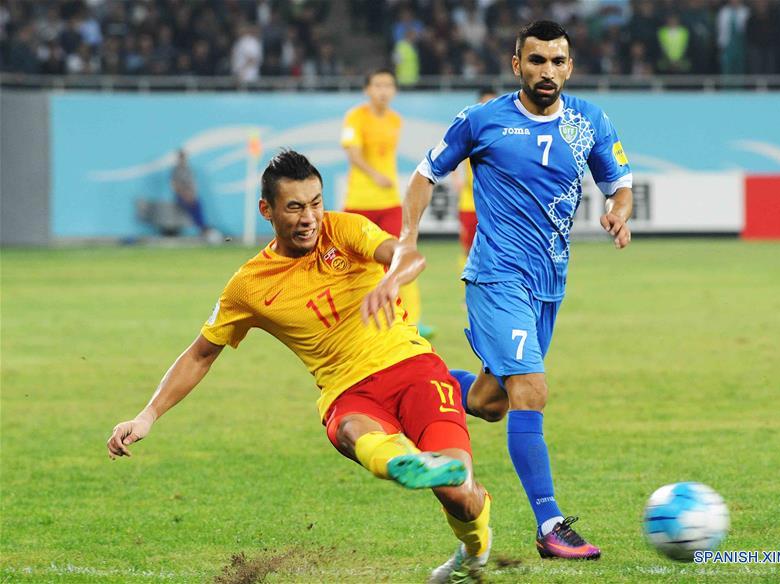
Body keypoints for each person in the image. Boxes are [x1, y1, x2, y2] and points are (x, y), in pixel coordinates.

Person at [108, 151, 492, 583]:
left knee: (460, 494)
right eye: (294, 207)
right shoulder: (249, 286)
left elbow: (408, 254)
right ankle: (404, 463)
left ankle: (473, 554)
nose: (309, 217)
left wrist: (390, 280)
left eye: (315, 202)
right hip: (349, 394)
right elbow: (200, 353)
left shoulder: (343, 229)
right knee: (351, 430)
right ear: (266, 210)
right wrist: (147, 415)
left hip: (414, 369)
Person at [363, 21, 633, 561]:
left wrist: (618, 212)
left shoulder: (589, 121)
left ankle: (420, 384)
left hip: (549, 284)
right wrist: (408, 238)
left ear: (570, 67)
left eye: (558, 61)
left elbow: (619, 180)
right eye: (537, 61)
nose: (547, 71)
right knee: (531, 388)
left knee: (492, 403)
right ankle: (550, 523)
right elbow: (423, 175)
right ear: (517, 66)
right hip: (496, 276)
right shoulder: (483, 120)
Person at [341, 68, 432, 338]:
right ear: (367, 89)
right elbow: (353, 153)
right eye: (378, 85)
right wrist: (374, 175)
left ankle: (413, 320)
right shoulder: (355, 117)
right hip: (359, 200)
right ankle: (349, 316)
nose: (383, 90)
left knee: (403, 254)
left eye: (388, 85)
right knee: (353, 263)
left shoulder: (395, 120)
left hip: (390, 201)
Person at [455, 87, 497, 266]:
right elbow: (451, 157)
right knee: (468, 249)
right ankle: (468, 292)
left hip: (496, 203)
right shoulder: (469, 131)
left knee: (495, 250)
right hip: (469, 201)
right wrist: (456, 178)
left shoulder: (505, 133)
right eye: (484, 103)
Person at [171, 149, 222, 243]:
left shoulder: (189, 169)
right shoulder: (176, 170)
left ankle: (203, 227)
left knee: (197, 205)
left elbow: (193, 184)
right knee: (191, 207)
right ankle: (203, 229)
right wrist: (184, 194)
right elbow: (174, 185)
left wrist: (192, 194)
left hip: (190, 195)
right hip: (181, 196)